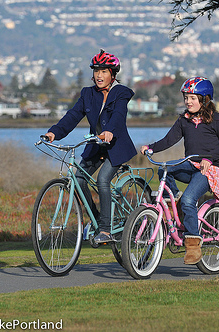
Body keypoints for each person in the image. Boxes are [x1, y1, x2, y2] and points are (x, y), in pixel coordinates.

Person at [140, 77, 219, 265]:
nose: (188, 102)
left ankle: (193, 245)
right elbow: (169, 140)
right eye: (186, 98)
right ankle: (173, 199)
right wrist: (151, 147)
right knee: (165, 170)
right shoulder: (184, 120)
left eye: (192, 98)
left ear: (205, 99)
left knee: (189, 199)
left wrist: (209, 158)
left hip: (209, 170)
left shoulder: (217, 120)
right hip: (190, 165)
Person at [45, 49, 136, 244]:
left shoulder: (121, 93)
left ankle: (106, 230)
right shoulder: (88, 94)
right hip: (96, 146)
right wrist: (54, 132)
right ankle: (97, 220)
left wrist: (109, 131)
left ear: (113, 74)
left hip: (116, 147)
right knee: (79, 179)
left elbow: (119, 116)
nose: (99, 75)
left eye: (104, 71)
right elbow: (73, 116)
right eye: (96, 71)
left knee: (103, 179)